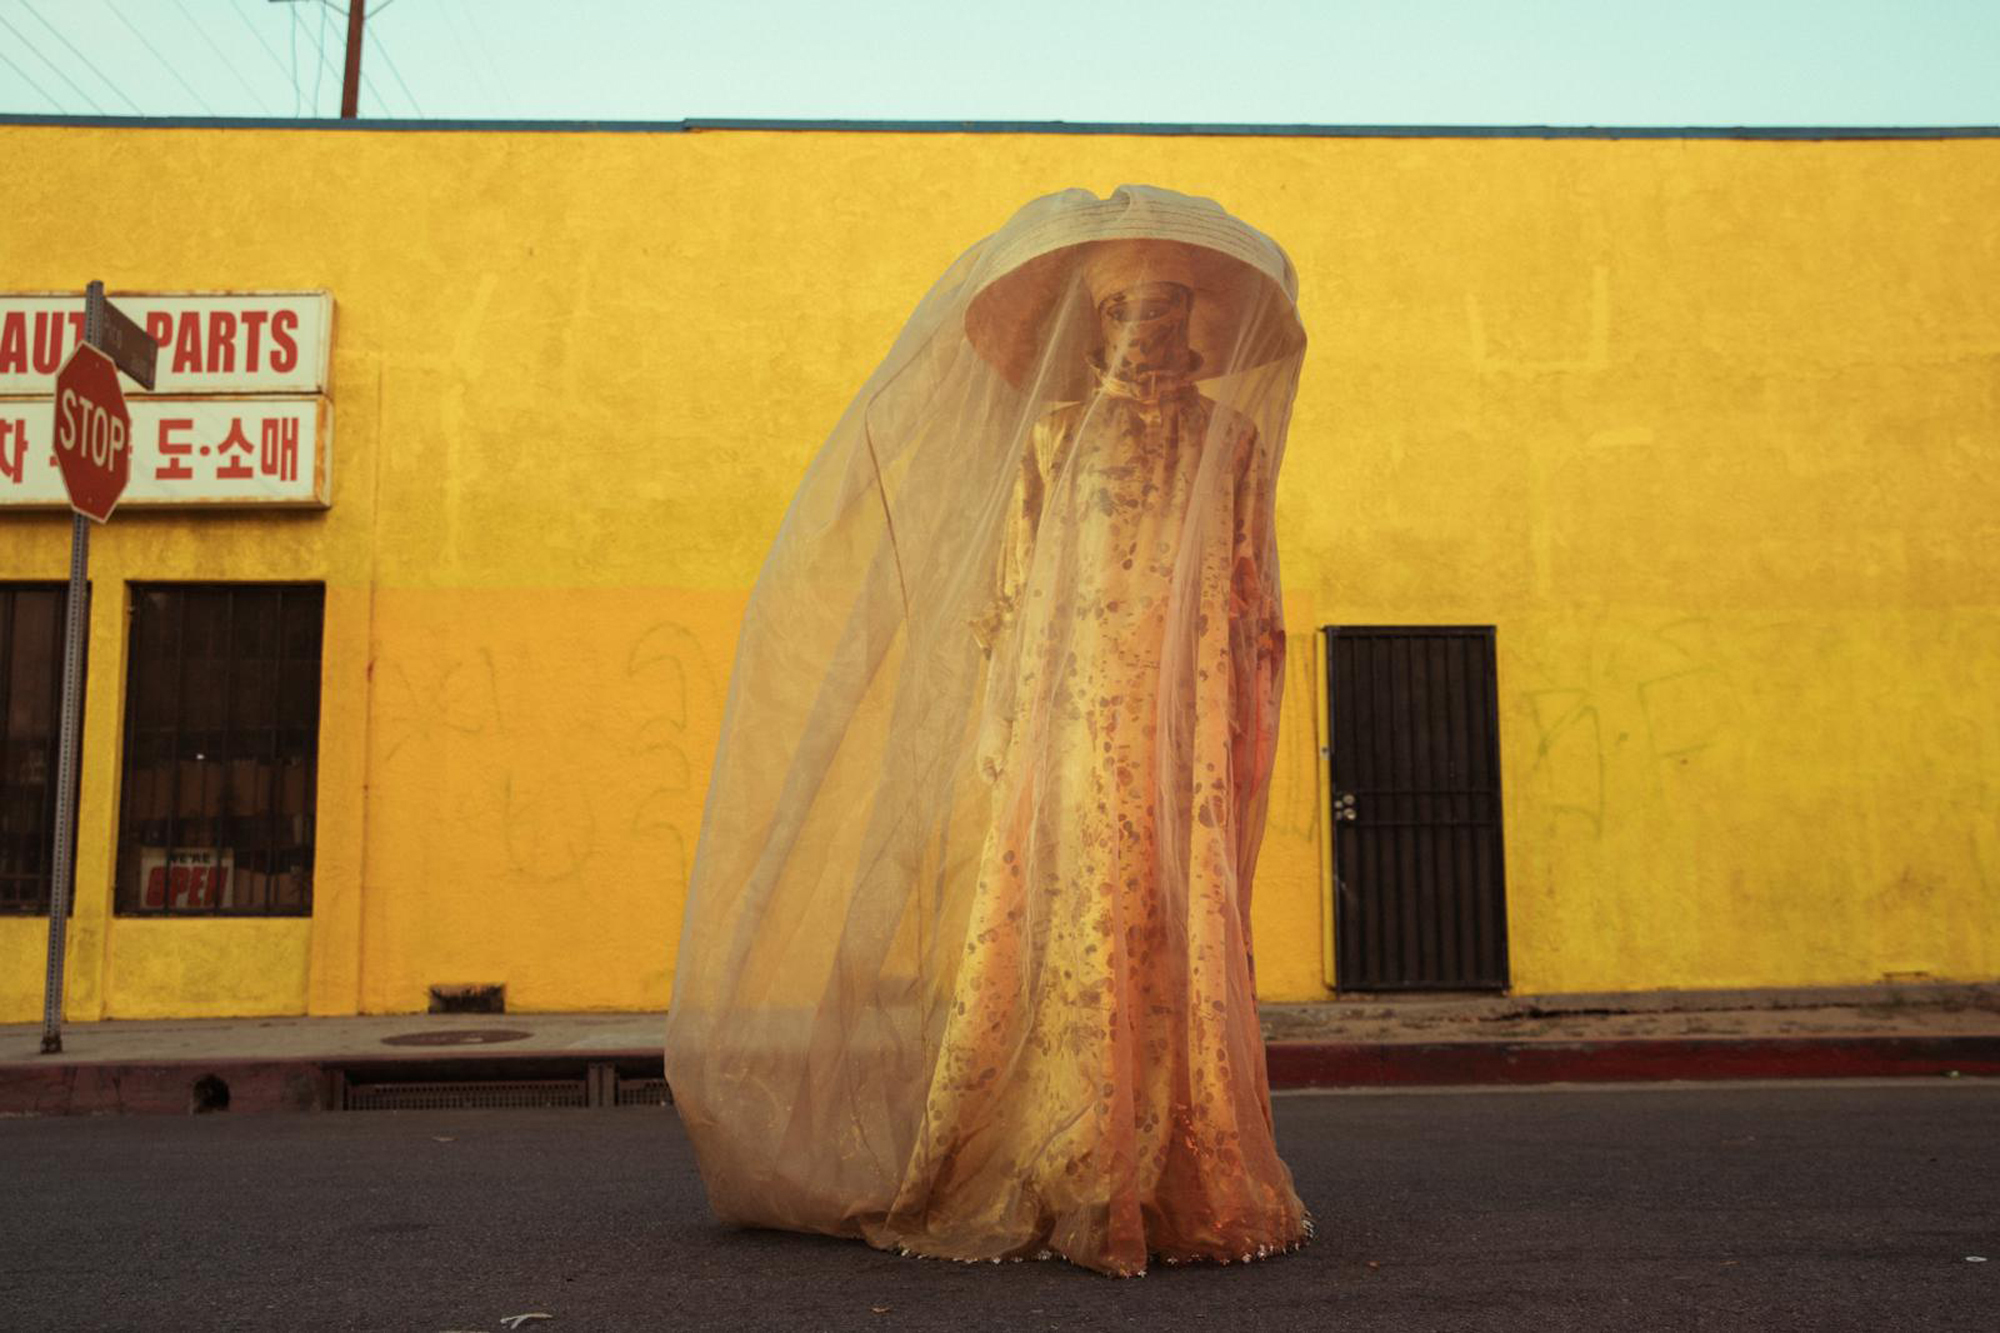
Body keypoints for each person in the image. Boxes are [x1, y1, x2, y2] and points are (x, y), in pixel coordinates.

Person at [664, 185, 1311, 1276]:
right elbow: (1008, 599)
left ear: (1188, 318)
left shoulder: (1230, 440)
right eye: (1120, 309)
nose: (1142, 325)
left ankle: (1166, 1166)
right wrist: (1008, 727)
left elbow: (1250, 599)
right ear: (1094, 322)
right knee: (1060, 912)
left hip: (1179, 728)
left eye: (1161, 305)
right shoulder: (1053, 436)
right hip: (1067, 723)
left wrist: (1234, 726)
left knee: (1168, 911)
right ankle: (1049, 1152)